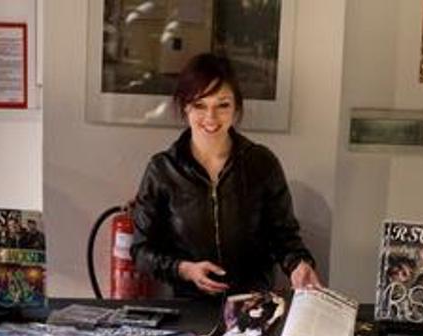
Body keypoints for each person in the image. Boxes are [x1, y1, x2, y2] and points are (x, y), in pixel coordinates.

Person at [131, 53, 321, 298]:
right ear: (185, 107)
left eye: (222, 105)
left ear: (236, 107)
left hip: (253, 305)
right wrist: (185, 270)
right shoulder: (163, 170)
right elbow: (141, 251)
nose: (211, 118)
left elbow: (284, 237)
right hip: (191, 306)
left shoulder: (262, 163)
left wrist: (298, 265)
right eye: (200, 105)